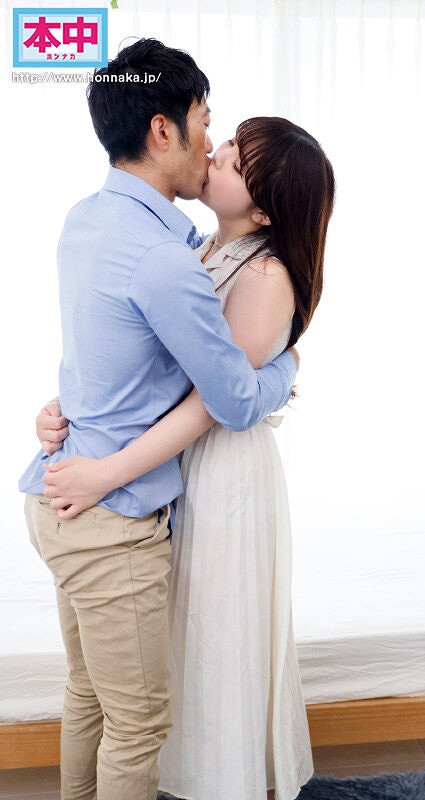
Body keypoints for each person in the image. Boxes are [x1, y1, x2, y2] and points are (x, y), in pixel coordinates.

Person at [19, 39, 299, 800]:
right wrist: (288, 368)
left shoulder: (87, 220)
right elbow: (234, 399)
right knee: (138, 723)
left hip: (57, 494)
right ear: (163, 129)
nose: (211, 143)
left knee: (90, 695)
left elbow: (102, 352)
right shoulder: (166, 259)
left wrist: (60, 412)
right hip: (109, 520)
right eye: (206, 123)